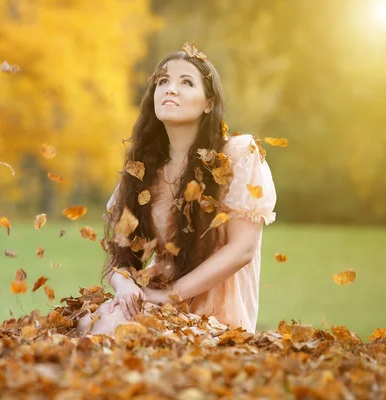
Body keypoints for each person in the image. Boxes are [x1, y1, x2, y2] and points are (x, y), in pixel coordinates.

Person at [76, 43, 277, 336]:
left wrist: (170, 295)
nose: (171, 89)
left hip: (215, 316)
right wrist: (126, 286)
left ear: (208, 103)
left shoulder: (237, 155)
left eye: (186, 82)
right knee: (89, 323)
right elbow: (123, 259)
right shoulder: (143, 171)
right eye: (163, 82)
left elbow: (242, 249)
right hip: (158, 303)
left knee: (122, 331)